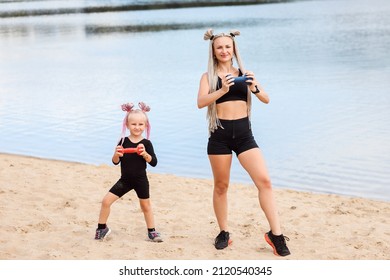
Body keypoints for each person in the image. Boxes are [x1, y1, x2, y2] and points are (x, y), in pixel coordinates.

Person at [197, 29, 290, 256]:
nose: (224, 50)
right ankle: (223, 232)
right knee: (221, 186)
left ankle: (275, 235)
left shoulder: (245, 73)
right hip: (219, 136)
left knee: (264, 182)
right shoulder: (208, 77)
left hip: (244, 136)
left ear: (234, 49)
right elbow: (201, 102)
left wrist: (254, 86)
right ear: (213, 50)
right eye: (219, 47)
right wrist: (223, 89)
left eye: (227, 47)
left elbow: (266, 99)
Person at [94, 102, 162, 242]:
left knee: (145, 206)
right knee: (106, 201)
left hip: (140, 180)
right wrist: (116, 153)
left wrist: (145, 154)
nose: (137, 127)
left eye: (140, 124)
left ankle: (152, 231)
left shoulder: (146, 143)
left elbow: (154, 162)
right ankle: (102, 228)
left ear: (146, 125)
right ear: (127, 125)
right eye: (133, 124)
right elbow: (115, 162)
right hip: (125, 180)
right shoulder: (123, 141)